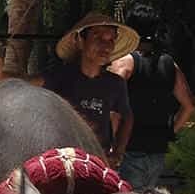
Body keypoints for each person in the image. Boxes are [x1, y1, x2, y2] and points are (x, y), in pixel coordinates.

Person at [108, 4, 195, 190]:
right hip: (158, 152)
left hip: (128, 151)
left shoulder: (124, 63)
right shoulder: (170, 64)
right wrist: (169, 132)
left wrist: (111, 145)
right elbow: (189, 106)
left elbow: (113, 107)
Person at [41, 12, 139, 167]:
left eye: (111, 39)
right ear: (80, 40)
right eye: (97, 37)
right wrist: (1, 75)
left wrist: (118, 153)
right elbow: (30, 81)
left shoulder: (115, 83)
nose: (106, 45)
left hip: (98, 162)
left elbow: (127, 117)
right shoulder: (60, 76)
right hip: (63, 160)